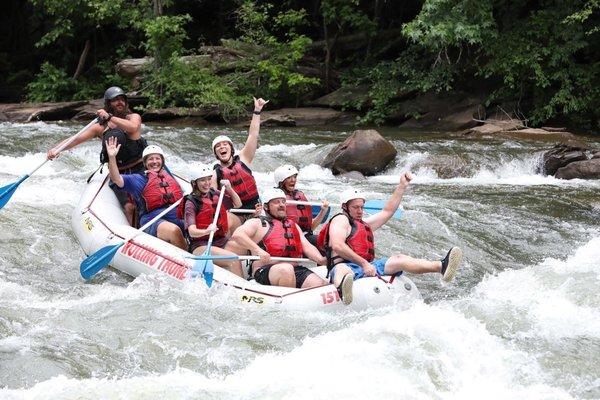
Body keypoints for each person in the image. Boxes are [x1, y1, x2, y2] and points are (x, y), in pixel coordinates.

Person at [318, 172, 463, 305]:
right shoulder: (340, 220)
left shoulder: (363, 224)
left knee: (399, 258)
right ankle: (342, 289)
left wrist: (401, 186)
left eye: (362, 207)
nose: (360, 211)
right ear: (345, 206)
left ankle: (440, 266)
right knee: (342, 269)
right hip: (347, 266)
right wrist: (363, 264)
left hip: (368, 266)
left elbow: (387, 211)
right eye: (356, 207)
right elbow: (337, 245)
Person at [47, 86, 146, 225]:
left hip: (140, 167)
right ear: (108, 104)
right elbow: (75, 139)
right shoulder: (100, 127)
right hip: (119, 172)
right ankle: (133, 235)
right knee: (130, 207)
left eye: (122, 99)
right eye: (115, 100)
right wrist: (56, 149)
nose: (120, 103)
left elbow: (132, 127)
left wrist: (111, 118)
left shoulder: (133, 117)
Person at [229, 188, 328, 289]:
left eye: (283, 202)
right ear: (266, 206)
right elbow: (238, 235)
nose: (281, 205)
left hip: (295, 269)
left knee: (321, 285)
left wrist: (321, 260)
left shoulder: (293, 225)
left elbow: (307, 247)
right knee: (286, 269)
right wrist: (258, 250)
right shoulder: (257, 223)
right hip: (264, 270)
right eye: (276, 202)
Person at [105, 137, 187, 250]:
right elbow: (116, 179)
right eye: (150, 159)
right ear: (145, 163)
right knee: (174, 231)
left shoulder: (169, 178)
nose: (154, 162)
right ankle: (187, 261)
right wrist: (112, 157)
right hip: (152, 220)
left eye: (157, 158)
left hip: (176, 216)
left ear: (162, 162)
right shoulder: (139, 179)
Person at [211, 97, 269, 233]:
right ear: (216, 154)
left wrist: (257, 111)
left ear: (231, 149)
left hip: (256, 210)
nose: (221, 147)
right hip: (235, 214)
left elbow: (253, 135)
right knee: (228, 221)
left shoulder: (244, 158)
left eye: (225, 145)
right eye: (218, 147)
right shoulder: (215, 174)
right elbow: (212, 200)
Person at [180, 164, 243, 277]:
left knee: (243, 249)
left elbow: (238, 204)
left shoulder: (215, 194)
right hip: (201, 246)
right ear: (194, 183)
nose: (207, 183)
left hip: (221, 241)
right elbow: (192, 231)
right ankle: (243, 290)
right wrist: (206, 231)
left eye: (209, 179)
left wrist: (229, 188)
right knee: (233, 259)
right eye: (203, 180)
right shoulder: (191, 203)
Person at [273, 164, 330, 245]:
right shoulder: (275, 199)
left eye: (294, 177)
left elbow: (311, 226)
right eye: (289, 178)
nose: (293, 180)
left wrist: (323, 211)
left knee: (328, 241)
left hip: (306, 237)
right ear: (281, 181)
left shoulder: (299, 195)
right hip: (288, 239)